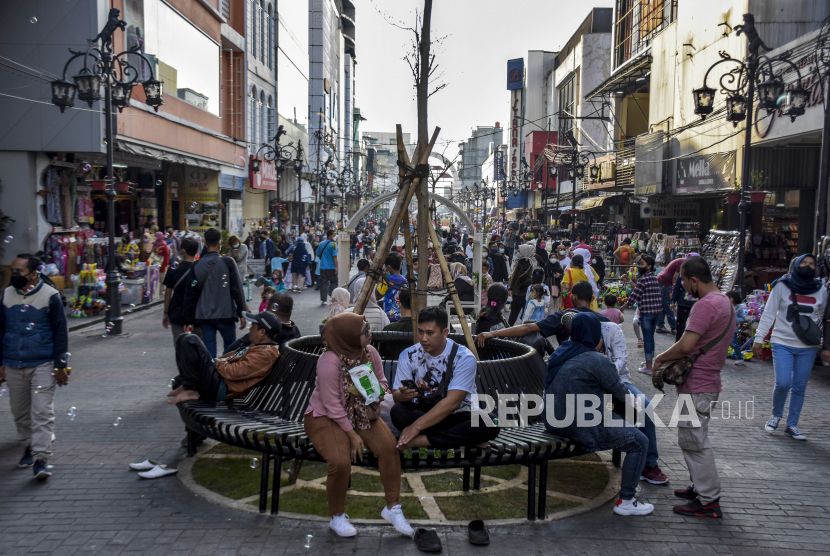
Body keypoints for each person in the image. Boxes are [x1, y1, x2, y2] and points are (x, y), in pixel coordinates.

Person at [303, 313, 415, 538]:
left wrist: (378, 393)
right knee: (340, 461)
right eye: (364, 331)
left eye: (368, 328)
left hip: (361, 413)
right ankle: (337, 516)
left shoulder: (369, 353)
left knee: (389, 448)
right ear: (348, 337)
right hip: (325, 417)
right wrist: (353, 436)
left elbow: (382, 382)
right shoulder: (329, 360)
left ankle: (392, 508)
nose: (369, 333)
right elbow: (332, 404)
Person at [542, 313, 653, 516]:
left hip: (552, 420)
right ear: (594, 334)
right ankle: (627, 500)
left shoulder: (562, 351)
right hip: (579, 423)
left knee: (618, 419)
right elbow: (621, 394)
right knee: (640, 442)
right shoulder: (596, 359)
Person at [653, 256, 734, 518]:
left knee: (693, 442)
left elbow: (687, 346)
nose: (685, 288)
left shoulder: (705, 306)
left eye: (685, 283)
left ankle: (709, 500)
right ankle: (699, 488)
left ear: (695, 280)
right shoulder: (724, 302)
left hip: (697, 385)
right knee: (694, 438)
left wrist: (661, 357)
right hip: (707, 383)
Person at [558, 312, 668, 485]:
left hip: (617, 380)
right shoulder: (576, 335)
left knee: (643, 406)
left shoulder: (611, 330)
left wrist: (604, 373)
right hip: (589, 389)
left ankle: (648, 463)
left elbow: (621, 359)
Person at [0, 254, 70, 480]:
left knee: (42, 411)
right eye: (13, 270)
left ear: (33, 273)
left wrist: (61, 366)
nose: (13, 275)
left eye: (18, 271)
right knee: (20, 413)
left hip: (43, 362)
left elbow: (61, 333)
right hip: (13, 363)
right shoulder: (6, 295)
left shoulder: (50, 296)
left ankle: (41, 458)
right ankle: (28, 445)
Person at [391, 307, 499, 449]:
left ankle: (422, 440)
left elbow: (452, 403)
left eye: (430, 333)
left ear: (445, 333)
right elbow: (396, 397)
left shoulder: (464, 357)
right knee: (398, 411)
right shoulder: (408, 355)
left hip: (458, 415)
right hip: (424, 412)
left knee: (491, 422)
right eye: (420, 331)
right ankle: (462, 437)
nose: (424, 338)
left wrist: (416, 427)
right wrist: (403, 395)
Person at [754, 254, 826, 441]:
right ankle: (776, 415)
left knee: (800, 386)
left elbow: (821, 314)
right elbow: (769, 313)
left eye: (812, 264)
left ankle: (792, 424)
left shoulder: (820, 289)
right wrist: (759, 338)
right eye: (804, 263)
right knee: (784, 382)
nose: (808, 266)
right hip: (782, 342)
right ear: (795, 265)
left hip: (807, 345)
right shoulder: (782, 285)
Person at [167, 311, 281, 405]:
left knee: (190, 340)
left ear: (262, 332)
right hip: (219, 379)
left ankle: (190, 390)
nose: (250, 329)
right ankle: (188, 387)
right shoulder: (260, 347)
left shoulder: (266, 354)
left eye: (253, 327)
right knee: (183, 338)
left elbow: (233, 372)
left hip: (220, 387)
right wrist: (217, 362)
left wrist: (216, 362)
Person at [187, 228, 247, 358]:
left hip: (204, 315)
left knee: (209, 350)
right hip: (225, 314)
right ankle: (226, 376)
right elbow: (237, 289)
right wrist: (242, 312)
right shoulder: (228, 262)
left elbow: (191, 294)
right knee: (230, 349)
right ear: (220, 243)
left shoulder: (196, 265)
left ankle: (211, 375)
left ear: (205, 244)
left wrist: (189, 318)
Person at [620, 255, 662, 372]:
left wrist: (623, 307)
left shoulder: (643, 280)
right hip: (656, 312)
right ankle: (649, 362)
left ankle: (649, 366)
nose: (639, 266)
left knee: (647, 338)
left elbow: (634, 296)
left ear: (649, 266)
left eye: (642, 264)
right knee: (650, 337)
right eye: (639, 264)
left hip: (647, 313)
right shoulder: (654, 278)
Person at [162, 237, 203, 344]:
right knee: (200, 347)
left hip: (177, 313)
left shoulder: (174, 269)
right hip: (198, 314)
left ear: (183, 251)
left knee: (180, 346)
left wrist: (166, 312)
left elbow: (168, 292)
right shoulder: (201, 268)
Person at [670, 254, 701, 341]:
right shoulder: (683, 272)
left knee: (693, 327)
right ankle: (678, 345)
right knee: (680, 326)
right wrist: (673, 301)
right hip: (683, 304)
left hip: (696, 305)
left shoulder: (701, 274)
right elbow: (677, 287)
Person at [655, 255, 686, 335]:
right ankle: (674, 327)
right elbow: (675, 278)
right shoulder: (683, 263)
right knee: (669, 305)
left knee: (663, 305)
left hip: (661, 280)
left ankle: (660, 326)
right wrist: (674, 290)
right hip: (665, 283)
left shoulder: (682, 261)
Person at [508, 244, 536, 325]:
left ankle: (508, 329)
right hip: (529, 292)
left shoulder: (522, 261)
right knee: (526, 313)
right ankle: (524, 330)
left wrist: (511, 288)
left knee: (514, 312)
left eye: (520, 251)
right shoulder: (533, 261)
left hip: (518, 292)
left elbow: (516, 276)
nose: (518, 253)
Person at [378, 253, 407, 322]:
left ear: (388, 267)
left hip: (389, 316)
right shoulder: (405, 281)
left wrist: (381, 276)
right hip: (402, 316)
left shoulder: (387, 280)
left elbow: (378, 294)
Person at [317, 229, 339, 306]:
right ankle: (331, 295)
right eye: (334, 235)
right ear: (330, 236)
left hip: (323, 266)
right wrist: (337, 267)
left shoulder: (321, 244)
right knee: (334, 281)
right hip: (331, 267)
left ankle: (324, 300)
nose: (335, 236)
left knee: (323, 283)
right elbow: (335, 257)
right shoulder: (333, 245)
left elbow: (318, 254)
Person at [725, 290, 747, 366]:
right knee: (723, 343)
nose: (728, 299)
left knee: (733, 344)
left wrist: (734, 319)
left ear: (734, 298)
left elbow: (742, 319)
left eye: (729, 298)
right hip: (724, 329)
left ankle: (740, 358)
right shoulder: (726, 307)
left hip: (733, 330)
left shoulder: (739, 308)